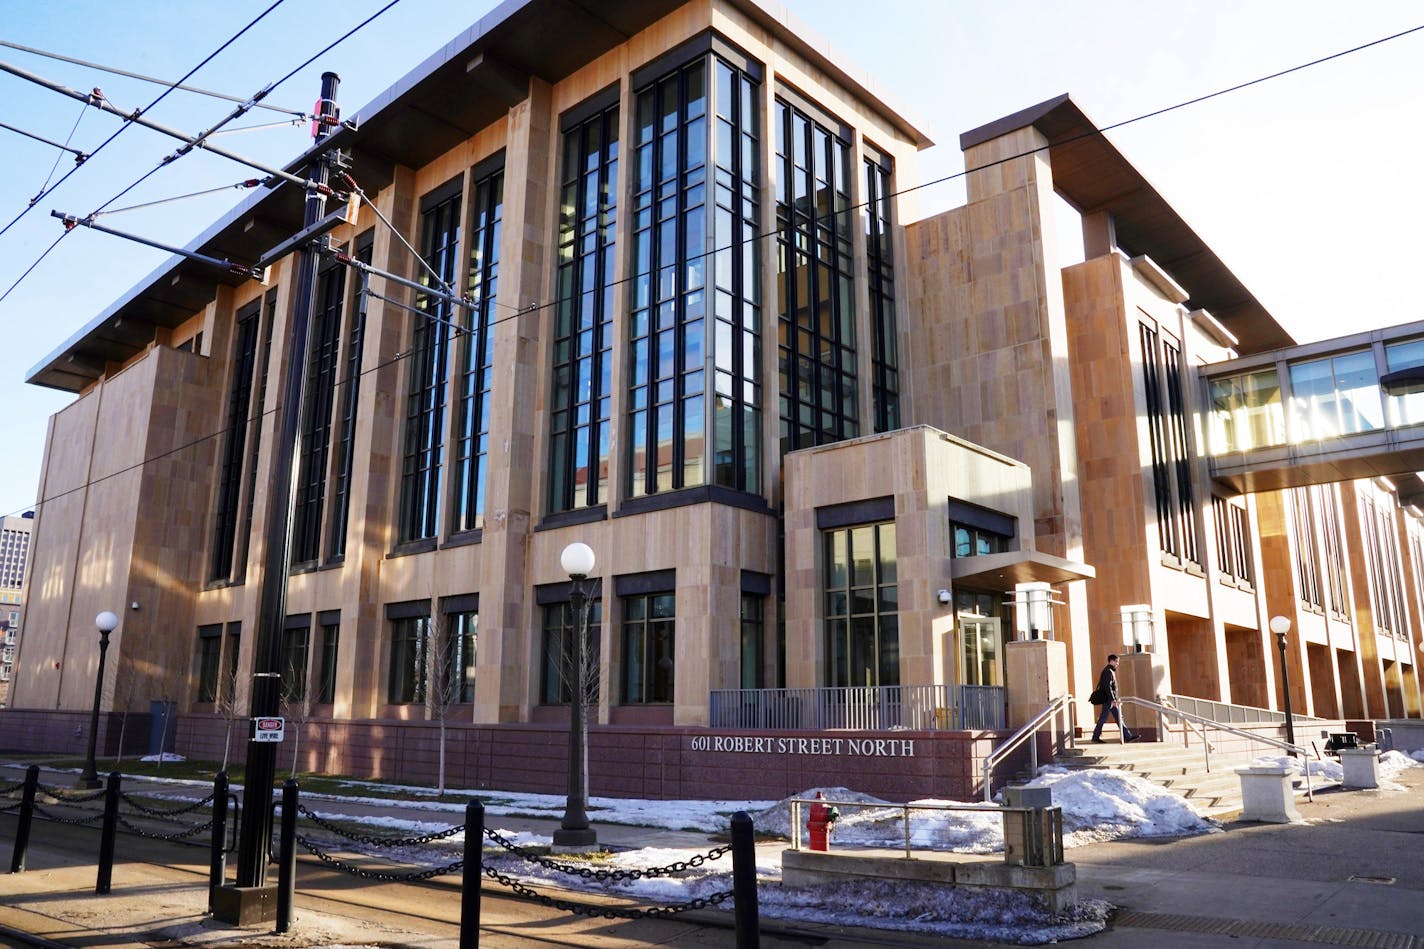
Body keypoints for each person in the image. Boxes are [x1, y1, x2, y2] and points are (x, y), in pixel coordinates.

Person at [1090, 653, 1138, 743]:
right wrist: (1113, 699)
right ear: (1111, 661)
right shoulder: (1108, 671)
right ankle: (1095, 737)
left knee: (1118, 717)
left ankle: (1127, 736)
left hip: (1110, 700)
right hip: (1109, 700)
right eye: (1116, 661)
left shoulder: (1109, 671)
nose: (1117, 663)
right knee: (1103, 718)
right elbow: (1108, 687)